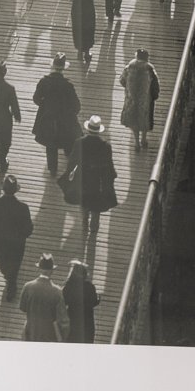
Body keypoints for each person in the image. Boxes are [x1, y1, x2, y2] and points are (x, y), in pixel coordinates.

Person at [62, 115, 117, 246]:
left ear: (88, 129)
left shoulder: (79, 143)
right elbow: (109, 165)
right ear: (99, 131)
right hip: (98, 180)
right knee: (96, 206)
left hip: (83, 178)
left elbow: (72, 161)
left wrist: (70, 173)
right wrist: (111, 177)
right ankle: (94, 230)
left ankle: (84, 220)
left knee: (84, 200)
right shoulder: (105, 146)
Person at [0, 175, 31, 301]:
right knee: (15, 263)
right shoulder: (23, 207)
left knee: (1, 261)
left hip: (0, 238)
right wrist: (22, 235)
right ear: (16, 190)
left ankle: (9, 280)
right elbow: (28, 228)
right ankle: (11, 282)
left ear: (3, 189)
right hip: (17, 242)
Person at [32, 55, 81, 175]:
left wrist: (45, 106)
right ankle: (69, 158)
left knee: (50, 144)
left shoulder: (44, 82)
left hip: (48, 116)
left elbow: (36, 98)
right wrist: (72, 112)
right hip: (65, 118)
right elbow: (76, 105)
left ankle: (52, 169)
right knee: (68, 137)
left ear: (53, 66)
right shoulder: (68, 85)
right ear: (64, 68)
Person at [61, 0, 106, 70]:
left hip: (76, 9)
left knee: (78, 29)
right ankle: (87, 53)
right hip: (88, 9)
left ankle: (79, 52)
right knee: (88, 30)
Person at [120, 45, 161, 149]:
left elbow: (122, 80)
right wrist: (154, 95)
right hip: (146, 99)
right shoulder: (150, 68)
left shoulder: (129, 66)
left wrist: (128, 89)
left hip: (131, 98)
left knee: (133, 120)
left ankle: (136, 142)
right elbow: (155, 84)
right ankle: (144, 139)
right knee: (144, 118)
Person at [19, 256, 67, 342]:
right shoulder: (57, 291)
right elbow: (61, 318)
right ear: (52, 271)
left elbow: (23, 308)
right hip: (49, 335)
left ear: (39, 269)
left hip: (31, 331)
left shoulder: (27, 286)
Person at [63, 258, 100, 343]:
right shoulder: (90, 287)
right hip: (87, 325)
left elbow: (63, 301)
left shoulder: (68, 286)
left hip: (72, 323)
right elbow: (94, 302)